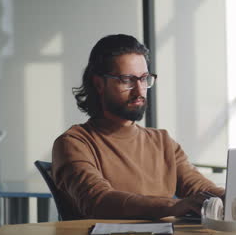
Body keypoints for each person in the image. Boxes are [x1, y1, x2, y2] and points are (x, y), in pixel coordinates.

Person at [52, 34, 224, 219]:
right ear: (99, 84)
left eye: (144, 79)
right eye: (127, 80)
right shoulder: (74, 143)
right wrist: (173, 206)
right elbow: (97, 201)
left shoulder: (162, 142)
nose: (139, 90)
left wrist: (235, 197)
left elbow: (201, 189)